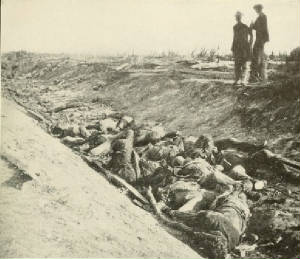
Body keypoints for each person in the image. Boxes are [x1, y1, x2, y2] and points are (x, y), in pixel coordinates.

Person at [231, 11, 253, 86]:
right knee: (237, 65)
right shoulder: (234, 27)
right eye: (237, 17)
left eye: (239, 16)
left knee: (244, 65)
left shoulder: (245, 26)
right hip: (237, 48)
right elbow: (234, 38)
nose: (237, 18)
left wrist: (250, 44)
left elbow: (251, 35)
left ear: (241, 17)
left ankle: (244, 80)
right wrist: (233, 48)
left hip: (244, 48)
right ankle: (237, 80)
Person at [250, 4, 269, 82]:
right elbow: (257, 27)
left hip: (260, 39)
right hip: (259, 39)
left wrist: (253, 25)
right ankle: (258, 76)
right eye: (255, 9)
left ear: (259, 9)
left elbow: (262, 28)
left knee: (257, 56)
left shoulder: (263, 16)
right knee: (258, 56)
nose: (256, 11)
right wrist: (252, 25)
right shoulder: (259, 17)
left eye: (256, 9)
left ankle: (256, 76)